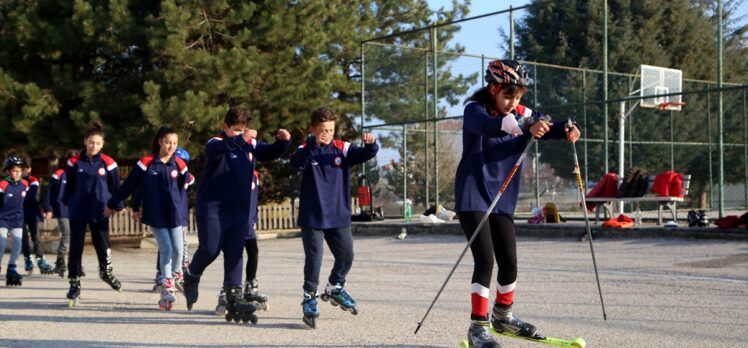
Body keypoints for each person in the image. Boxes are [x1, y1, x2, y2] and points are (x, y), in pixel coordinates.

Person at [455, 59, 580, 347]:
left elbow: (546, 124)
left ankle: (503, 316)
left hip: (502, 197)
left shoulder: (520, 112)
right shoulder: (475, 110)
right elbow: (491, 127)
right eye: (508, 95)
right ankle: (477, 328)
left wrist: (567, 130)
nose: (514, 102)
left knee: (509, 263)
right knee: (485, 260)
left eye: (519, 97)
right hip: (473, 194)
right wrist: (526, 124)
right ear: (493, 89)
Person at [182, 106, 290, 325]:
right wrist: (241, 139)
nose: (240, 133)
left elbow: (271, 152)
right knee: (210, 250)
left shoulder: (249, 144)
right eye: (235, 129)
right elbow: (220, 148)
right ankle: (191, 276)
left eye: (244, 129)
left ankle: (234, 296)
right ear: (225, 127)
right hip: (212, 208)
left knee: (235, 253)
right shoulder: (215, 143)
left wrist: (282, 142)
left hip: (239, 210)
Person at [290, 106, 378, 329]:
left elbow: (366, 154)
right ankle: (310, 297)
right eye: (322, 130)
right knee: (315, 258)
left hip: (338, 216)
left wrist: (371, 144)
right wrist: (312, 145)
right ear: (313, 130)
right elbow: (296, 162)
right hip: (312, 217)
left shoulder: (342, 148)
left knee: (346, 255)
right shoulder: (306, 149)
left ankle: (335, 287)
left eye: (330, 130)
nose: (327, 134)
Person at [105, 126, 191, 311]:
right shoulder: (146, 163)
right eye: (168, 142)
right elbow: (129, 185)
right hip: (155, 214)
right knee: (166, 248)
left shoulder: (180, 165)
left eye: (174, 143)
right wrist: (113, 203)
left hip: (175, 214)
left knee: (179, 249)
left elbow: (188, 183)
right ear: (160, 141)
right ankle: (167, 284)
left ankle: (176, 276)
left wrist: (190, 183)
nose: (171, 147)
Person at [62, 122, 124, 307]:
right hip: (79, 211)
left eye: (97, 143)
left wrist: (116, 205)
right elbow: (69, 185)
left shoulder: (109, 163)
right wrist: (66, 202)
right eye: (90, 142)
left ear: (102, 144)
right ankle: (74, 283)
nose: (93, 146)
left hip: (100, 210)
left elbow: (116, 187)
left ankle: (106, 272)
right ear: (85, 141)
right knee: (76, 248)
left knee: (103, 246)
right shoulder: (74, 162)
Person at [42, 150, 81, 277]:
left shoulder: (80, 174)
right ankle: (60, 262)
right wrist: (48, 208)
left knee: (77, 237)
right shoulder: (59, 174)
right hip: (62, 209)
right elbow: (49, 192)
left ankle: (76, 264)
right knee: (67, 234)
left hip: (77, 210)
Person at [0, 155, 31, 286]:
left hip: (17, 219)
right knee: (1, 244)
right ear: (7, 171)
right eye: (14, 170)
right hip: (2, 218)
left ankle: (12, 269)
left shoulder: (25, 184)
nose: (17, 173)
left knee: (18, 244)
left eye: (19, 170)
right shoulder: (3, 184)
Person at [20, 157, 54, 275]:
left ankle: (40, 260)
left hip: (32, 212)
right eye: (19, 169)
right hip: (19, 213)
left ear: (29, 169)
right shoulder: (13, 181)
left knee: (36, 237)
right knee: (23, 237)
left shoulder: (33, 180)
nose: (21, 171)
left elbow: (31, 195)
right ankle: (28, 259)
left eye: (23, 169)